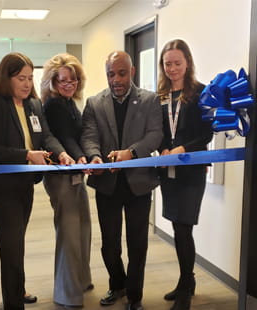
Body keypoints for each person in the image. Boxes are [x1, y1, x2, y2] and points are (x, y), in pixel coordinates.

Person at [0, 52, 74, 310]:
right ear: (6, 78)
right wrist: (27, 155)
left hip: (24, 184)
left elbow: (47, 135)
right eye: (21, 78)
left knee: (17, 243)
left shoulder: (33, 105)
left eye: (30, 78)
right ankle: (13, 303)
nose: (27, 83)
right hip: (1, 186)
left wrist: (61, 152)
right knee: (11, 248)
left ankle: (16, 291)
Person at [81, 51, 162, 310]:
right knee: (110, 244)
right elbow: (89, 136)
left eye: (121, 73)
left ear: (132, 71)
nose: (115, 79)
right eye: (110, 74)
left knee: (137, 243)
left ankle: (135, 296)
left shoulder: (149, 100)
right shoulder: (94, 103)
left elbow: (155, 135)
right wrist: (94, 157)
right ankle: (118, 284)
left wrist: (132, 153)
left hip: (139, 184)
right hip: (107, 184)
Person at [157, 39, 213, 310]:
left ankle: (186, 285)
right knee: (176, 224)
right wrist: (163, 147)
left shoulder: (201, 93)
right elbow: (156, 131)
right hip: (168, 171)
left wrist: (181, 148)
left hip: (191, 170)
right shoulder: (160, 96)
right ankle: (185, 282)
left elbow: (206, 134)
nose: (172, 68)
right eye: (168, 63)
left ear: (187, 62)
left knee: (183, 227)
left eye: (177, 63)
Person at [40, 53, 92, 308]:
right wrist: (81, 157)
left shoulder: (71, 103)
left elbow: (79, 135)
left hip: (74, 174)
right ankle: (67, 293)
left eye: (73, 81)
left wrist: (86, 156)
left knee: (82, 228)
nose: (69, 86)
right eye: (63, 81)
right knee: (70, 232)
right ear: (53, 82)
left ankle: (80, 280)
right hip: (61, 176)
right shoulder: (54, 105)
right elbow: (65, 138)